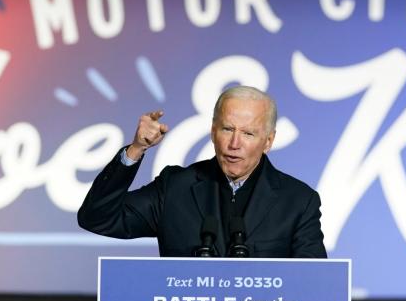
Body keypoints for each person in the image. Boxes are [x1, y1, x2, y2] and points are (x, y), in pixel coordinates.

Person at [77, 85, 327, 258]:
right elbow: (98, 218)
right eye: (227, 129)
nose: (234, 143)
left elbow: (312, 284)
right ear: (212, 131)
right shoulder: (175, 188)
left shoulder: (298, 202)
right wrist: (136, 149)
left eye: (248, 133)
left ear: (269, 141)